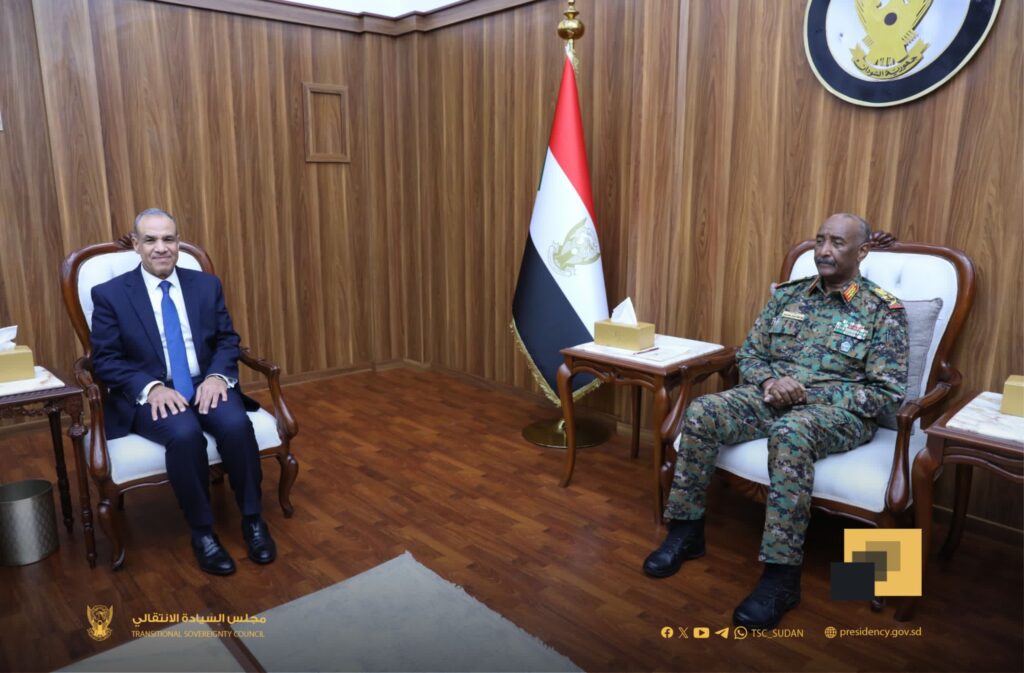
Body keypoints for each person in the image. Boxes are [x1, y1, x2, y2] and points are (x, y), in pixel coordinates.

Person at [643, 213, 908, 629]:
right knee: (703, 411)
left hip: (840, 413)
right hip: (771, 395)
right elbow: (750, 354)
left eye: (837, 243)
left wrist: (805, 394)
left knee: (790, 432)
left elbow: (886, 394)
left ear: (862, 252)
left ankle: (782, 578)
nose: (824, 250)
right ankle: (686, 532)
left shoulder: (883, 310)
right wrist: (769, 381)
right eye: (819, 240)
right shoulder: (789, 296)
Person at [90, 208, 275, 575]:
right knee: (185, 433)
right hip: (152, 392)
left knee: (237, 425)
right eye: (151, 240)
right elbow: (106, 360)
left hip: (205, 382)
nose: (161, 247)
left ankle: (253, 520)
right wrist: (151, 387)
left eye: (168, 239)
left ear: (178, 242)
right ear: (137, 245)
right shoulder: (111, 294)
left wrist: (218, 377)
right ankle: (203, 532)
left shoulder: (206, 285)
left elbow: (227, 340)